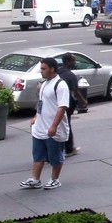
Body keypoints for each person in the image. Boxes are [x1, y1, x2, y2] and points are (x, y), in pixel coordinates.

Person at [20, 57, 69, 190]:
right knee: (38, 155)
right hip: (40, 127)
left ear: (52, 69)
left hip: (53, 130)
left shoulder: (61, 85)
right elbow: (42, 103)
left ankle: (55, 179)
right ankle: (35, 179)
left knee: (55, 157)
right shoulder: (45, 84)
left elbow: (62, 107)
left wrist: (54, 126)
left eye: (43, 69)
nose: (41, 71)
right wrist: (36, 117)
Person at [58, 53, 85, 156]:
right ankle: (69, 149)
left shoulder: (58, 72)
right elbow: (76, 92)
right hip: (65, 104)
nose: (75, 62)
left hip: (55, 103)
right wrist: (83, 101)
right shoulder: (71, 75)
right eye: (74, 60)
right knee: (66, 125)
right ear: (68, 62)